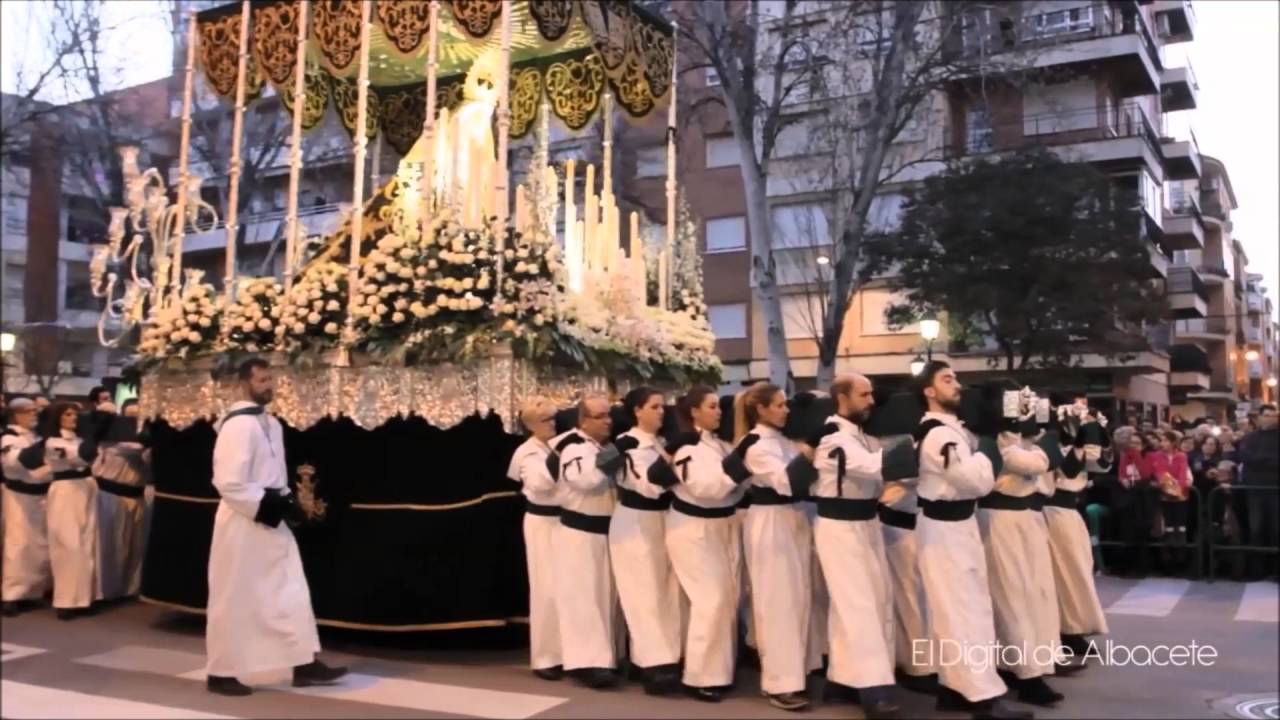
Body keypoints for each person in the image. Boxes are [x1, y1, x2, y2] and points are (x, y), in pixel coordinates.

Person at [205, 358, 346, 696]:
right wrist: (268, 506)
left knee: (289, 590)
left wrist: (289, 502)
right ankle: (221, 671)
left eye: (271, 378)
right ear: (243, 383)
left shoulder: (271, 423)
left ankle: (302, 661)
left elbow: (276, 475)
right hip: (243, 521)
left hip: (271, 518)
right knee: (235, 596)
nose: (270, 385)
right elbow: (229, 482)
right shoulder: (237, 426)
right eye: (263, 379)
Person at [912, 362, 1029, 720]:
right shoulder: (938, 435)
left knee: (966, 609)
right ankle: (980, 697)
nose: (957, 385)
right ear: (929, 392)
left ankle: (953, 688)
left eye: (957, 378)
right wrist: (990, 443)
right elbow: (976, 481)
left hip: (959, 526)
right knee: (961, 613)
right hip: (944, 529)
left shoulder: (955, 431)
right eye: (947, 380)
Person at [810, 374, 910, 719]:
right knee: (859, 605)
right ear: (842, 397)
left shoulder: (862, 437)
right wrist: (916, 442)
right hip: (839, 527)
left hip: (865, 523)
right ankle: (874, 688)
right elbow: (871, 469)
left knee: (864, 602)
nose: (871, 400)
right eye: (863, 394)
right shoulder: (831, 439)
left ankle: (841, 681)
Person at [721, 383, 815, 711]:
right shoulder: (756, 445)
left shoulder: (781, 440)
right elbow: (787, 481)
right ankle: (779, 681)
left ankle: (797, 670)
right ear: (760, 409)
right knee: (777, 602)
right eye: (778, 405)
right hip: (771, 520)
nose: (785, 410)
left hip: (793, 518)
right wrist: (810, 450)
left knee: (799, 597)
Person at [656, 386, 748, 702]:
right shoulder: (687, 448)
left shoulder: (719, 446)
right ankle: (699, 676)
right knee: (711, 599)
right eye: (711, 406)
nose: (718, 411)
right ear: (694, 411)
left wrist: (735, 474)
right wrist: (739, 468)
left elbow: (733, 492)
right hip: (693, 530)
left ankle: (720, 671)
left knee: (726, 598)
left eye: (719, 406)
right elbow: (707, 488)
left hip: (722, 525)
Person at [978, 410, 1063, 706]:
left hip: (1021, 517)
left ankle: (1016, 665)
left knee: (1027, 596)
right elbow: (1037, 462)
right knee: (1009, 596)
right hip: (999, 518)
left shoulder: (1014, 441)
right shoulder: (999, 442)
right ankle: (1027, 676)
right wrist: (1045, 439)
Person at [608, 387, 682, 695]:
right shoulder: (623, 445)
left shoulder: (660, 442)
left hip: (664, 519)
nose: (661, 412)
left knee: (664, 592)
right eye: (654, 406)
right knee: (643, 593)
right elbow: (646, 486)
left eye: (662, 407)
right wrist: (670, 461)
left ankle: (653, 658)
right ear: (637, 410)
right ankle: (653, 664)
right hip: (636, 521)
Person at [553, 391, 621, 689]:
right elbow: (587, 482)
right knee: (585, 599)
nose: (608, 421)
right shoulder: (574, 449)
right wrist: (612, 455)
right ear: (582, 421)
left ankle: (607, 657)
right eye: (600, 416)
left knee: (606, 597)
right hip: (580, 533)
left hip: (606, 531)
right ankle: (586, 662)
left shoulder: (601, 447)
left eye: (609, 415)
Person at [1043, 418, 1110, 666]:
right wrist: (1078, 445)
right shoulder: (1048, 443)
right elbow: (1068, 470)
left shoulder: (1073, 445)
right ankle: (1066, 631)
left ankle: (1074, 628)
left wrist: (1098, 436)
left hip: (1070, 513)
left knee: (1079, 571)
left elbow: (1101, 465)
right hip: (1054, 511)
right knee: (1065, 574)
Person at [507, 398, 564, 681]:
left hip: (565, 521)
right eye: (546, 420)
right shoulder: (527, 452)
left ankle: (568, 652)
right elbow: (541, 484)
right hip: (543, 522)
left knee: (567, 588)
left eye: (554, 418)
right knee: (547, 588)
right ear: (531, 425)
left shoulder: (555, 445)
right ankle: (546, 656)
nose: (553, 424)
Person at [38, 402, 100, 619]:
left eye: (76, 414)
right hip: (65, 490)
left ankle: (83, 597)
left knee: (86, 543)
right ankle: (65, 600)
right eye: (68, 414)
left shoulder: (79, 438)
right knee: (68, 545)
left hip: (85, 487)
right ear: (57, 418)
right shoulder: (53, 441)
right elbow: (78, 458)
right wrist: (94, 434)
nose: (73, 418)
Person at [92, 412, 151, 601]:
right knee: (110, 546)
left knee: (132, 547)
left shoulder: (144, 447)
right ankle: (105, 591)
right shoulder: (110, 446)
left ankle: (128, 589)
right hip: (111, 497)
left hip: (136, 497)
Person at [1, 398, 52, 616]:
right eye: (29, 411)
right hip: (19, 496)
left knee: (39, 546)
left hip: (41, 495)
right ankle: (11, 595)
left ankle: (33, 591)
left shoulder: (34, 436)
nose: (34, 414)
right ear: (16, 414)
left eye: (35, 411)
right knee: (18, 545)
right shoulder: (9, 437)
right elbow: (13, 462)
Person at [1238, 403, 1278, 579]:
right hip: (1254, 490)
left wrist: (1261, 461)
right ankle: (1257, 570)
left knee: (1276, 530)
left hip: (1276, 489)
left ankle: (1276, 570)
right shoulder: (1250, 438)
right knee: (1256, 528)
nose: (1270, 418)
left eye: (1273, 415)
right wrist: (1268, 460)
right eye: (1267, 415)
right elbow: (1246, 457)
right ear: (1259, 417)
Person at [1148, 431, 1192, 573]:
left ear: (1173, 442)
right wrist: (1166, 486)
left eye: (1166, 441)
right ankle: (1168, 563)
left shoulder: (1181, 456)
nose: (1163, 444)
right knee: (1167, 527)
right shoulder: (1156, 456)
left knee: (1180, 527)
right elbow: (1159, 473)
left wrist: (1178, 488)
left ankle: (1182, 561)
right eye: (1162, 441)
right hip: (1164, 496)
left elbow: (1182, 473)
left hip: (1181, 497)